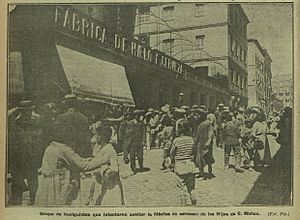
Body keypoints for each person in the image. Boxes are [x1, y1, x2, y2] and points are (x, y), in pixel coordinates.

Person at [34, 114, 109, 206]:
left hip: (46, 186)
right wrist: (103, 160)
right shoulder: (64, 150)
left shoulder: (51, 147)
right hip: (58, 187)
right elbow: (84, 165)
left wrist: (88, 159)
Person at [8, 100, 43, 205]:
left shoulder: (14, 123)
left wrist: (16, 109)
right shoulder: (36, 124)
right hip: (29, 159)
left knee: (19, 185)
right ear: (30, 111)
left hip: (18, 159)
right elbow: (39, 143)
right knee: (32, 183)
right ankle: (34, 203)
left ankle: (17, 205)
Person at [87, 124, 124, 206]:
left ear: (101, 137)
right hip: (102, 186)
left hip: (111, 188)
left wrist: (103, 171)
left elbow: (114, 169)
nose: (95, 137)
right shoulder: (101, 148)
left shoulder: (110, 150)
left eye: (97, 135)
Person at [170, 120, 197, 206]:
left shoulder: (176, 141)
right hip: (190, 165)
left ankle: (183, 208)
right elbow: (194, 152)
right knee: (192, 189)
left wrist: (172, 162)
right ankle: (195, 207)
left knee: (181, 189)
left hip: (180, 166)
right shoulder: (191, 140)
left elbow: (172, 153)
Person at [194, 109, 215, 180]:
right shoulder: (198, 123)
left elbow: (210, 132)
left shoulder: (208, 123)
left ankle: (210, 172)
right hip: (199, 143)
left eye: (198, 115)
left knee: (208, 158)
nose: (197, 116)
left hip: (206, 143)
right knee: (199, 159)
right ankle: (201, 173)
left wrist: (209, 141)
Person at [128, 110, 146, 174]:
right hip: (132, 142)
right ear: (135, 116)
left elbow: (144, 132)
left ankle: (141, 166)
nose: (138, 117)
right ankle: (133, 168)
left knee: (140, 156)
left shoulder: (141, 123)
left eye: (139, 115)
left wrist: (143, 140)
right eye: (137, 115)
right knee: (132, 156)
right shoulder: (130, 123)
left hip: (139, 142)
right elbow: (127, 133)